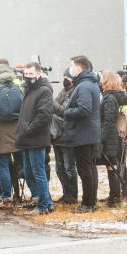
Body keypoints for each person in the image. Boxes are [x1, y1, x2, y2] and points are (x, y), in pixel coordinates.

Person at [63, 55, 101, 213]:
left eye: (72, 66)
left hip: (84, 133)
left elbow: (84, 109)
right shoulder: (90, 83)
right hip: (89, 132)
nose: (70, 69)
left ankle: (87, 203)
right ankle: (91, 201)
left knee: (85, 169)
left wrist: (67, 111)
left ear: (78, 68)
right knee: (90, 168)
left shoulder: (84, 85)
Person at [15, 62, 55, 214]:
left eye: (31, 74)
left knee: (39, 172)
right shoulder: (28, 89)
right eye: (26, 74)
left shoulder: (44, 90)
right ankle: (44, 201)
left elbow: (44, 115)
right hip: (26, 138)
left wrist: (29, 129)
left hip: (36, 138)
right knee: (28, 171)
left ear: (38, 74)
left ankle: (43, 205)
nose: (28, 77)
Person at [0, 62, 22, 209]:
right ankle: (30, 196)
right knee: (22, 164)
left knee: (2, 166)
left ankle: (6, 198)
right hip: (17, 128)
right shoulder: (18, 82)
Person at [99, 70, 127, 207]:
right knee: (113, 166)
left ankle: (115, 197)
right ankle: (115, 195)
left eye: (101, 79)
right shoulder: (110, 97)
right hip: (113, 136)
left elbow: (108, 121)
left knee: (114, 167)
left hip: (111, 138)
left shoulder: (110, 99)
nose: (99, 81)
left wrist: (102, 138)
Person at [51, 69, 78, 204]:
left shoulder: (74, 91)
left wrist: (51, 100)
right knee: (59, 168)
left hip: (67, 136)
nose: (64, 79)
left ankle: (72, 196)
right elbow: (57, 106)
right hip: (57, 135)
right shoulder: (64, 90)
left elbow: (63, 111)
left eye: (66, 76)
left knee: (69, 167)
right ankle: (65, 193)